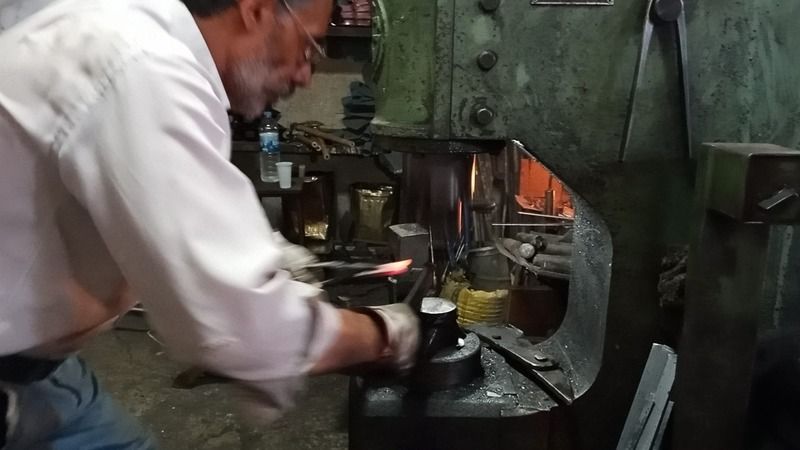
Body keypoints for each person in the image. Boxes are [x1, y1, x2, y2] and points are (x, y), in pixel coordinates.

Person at [0, 0, 420, 448]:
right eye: (308, 48)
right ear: (256, 11)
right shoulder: (142, 66)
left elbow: (168, 206)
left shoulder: (137, 40)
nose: (305, 76)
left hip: (43, 368)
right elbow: (242, 327)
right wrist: (385, 333)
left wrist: (261, 253)